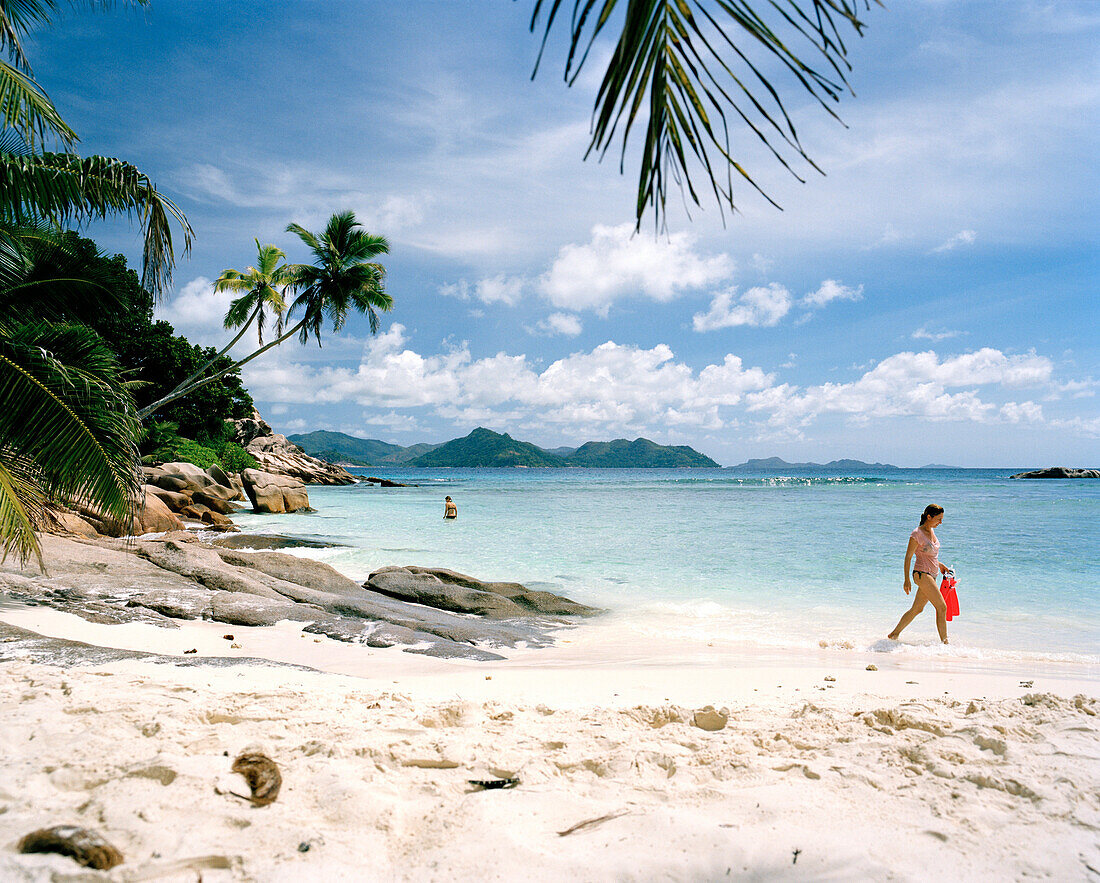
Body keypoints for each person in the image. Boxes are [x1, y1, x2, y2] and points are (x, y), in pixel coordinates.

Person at [888, 504, 951, 644]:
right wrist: (906, 580)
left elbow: (929, 555)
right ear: (929, 517)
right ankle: (945, 644)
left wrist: (940, 565)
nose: (941, 522)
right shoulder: (917, 534)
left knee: (917, 609)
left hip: (932, 574)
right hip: (922, 574)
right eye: (939, 519)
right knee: (942, 607)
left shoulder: (931, 531)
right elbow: (908, 557)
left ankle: (894, 634)